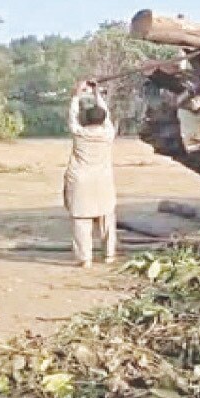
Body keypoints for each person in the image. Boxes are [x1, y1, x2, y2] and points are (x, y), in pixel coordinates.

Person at [64, 81, 117, 268]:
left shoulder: (79, 133)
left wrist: (77, 95)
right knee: (106, 219)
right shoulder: (108, 133)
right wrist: (97, 94)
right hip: (103, 180)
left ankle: (85, 259)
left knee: (81, 221)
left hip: (80, 180)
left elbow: (71, 116)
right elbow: (107, 115)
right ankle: (109, 255)